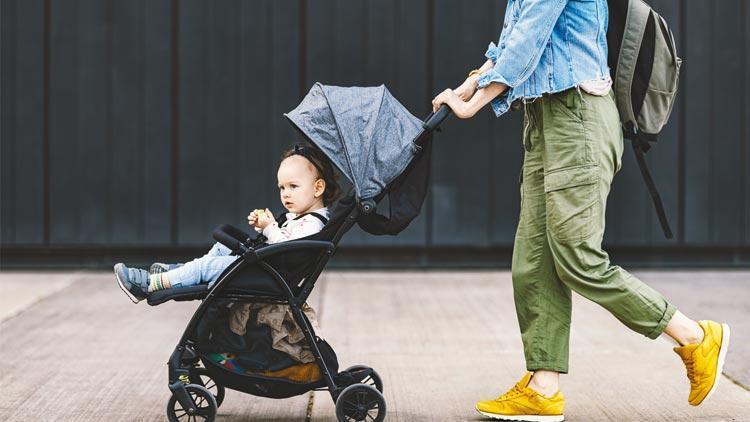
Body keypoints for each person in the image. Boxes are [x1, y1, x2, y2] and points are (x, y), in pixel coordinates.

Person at [431, 1, 730, 420]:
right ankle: (543, 386)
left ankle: (696, 336)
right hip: (543, 118)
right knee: (533, 261)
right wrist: (470, 84)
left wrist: (475, 103)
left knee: (578, 257)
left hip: (578, 119)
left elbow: (531, 37)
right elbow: (514, 39)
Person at [114, 144, 341, 303]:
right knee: (223, 247)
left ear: (318, 188)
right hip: (264, 267)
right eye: (281, 188)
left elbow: (289, 252)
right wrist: (264, 227)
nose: (285, 194)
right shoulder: (300, 217)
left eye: (293, 186)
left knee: (207, 268)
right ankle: (182, 272)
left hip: (270, 276)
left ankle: (151, 284)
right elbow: (281, 242)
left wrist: (270, 227)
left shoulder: (313, 225)